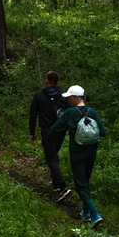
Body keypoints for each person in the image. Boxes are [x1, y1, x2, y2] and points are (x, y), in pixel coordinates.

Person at [51, 85, 106, 228]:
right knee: (85, 181)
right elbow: (103, 132)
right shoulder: (93, 112)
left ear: (76, 98)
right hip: (91, 152)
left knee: (80, 184)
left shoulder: (70, 112)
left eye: (70, 97)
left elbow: (55, 128)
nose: (68, 100)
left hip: (77, 153)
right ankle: (86, 213)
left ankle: (95, 214)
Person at [29, 71, 72, 202]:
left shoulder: (39, 95)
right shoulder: (63, 96)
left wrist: (32, 132)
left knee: (51, 158)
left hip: (47, 131)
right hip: (60, 130)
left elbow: (32, 115)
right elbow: (68, 112)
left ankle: (63, 186)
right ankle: (55, 184)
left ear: (47, 80)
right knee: (54, 155)